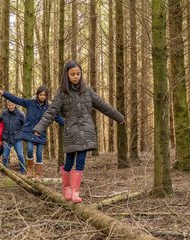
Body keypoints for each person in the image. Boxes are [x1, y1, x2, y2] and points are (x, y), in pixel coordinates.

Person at [33, 60, 124, 203]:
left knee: (81, 160)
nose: (76, 76)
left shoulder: (88, 91)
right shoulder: (62, 94)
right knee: (69, 161)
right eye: (72, 74)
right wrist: (39, 127)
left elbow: (103, 106)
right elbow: (50, 113)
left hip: (86, 132)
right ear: (67, 75)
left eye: (78, 74)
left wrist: (118, 117)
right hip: (71, 133)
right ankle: (66, 187)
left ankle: (75, 192)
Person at [0, 86, 64, 180]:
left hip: (41, 133)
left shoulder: (49, 107)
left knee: (39, 153)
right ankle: (30, 168)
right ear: (37, 95)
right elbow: (17, 100)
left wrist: (67, 124)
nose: (42, 97)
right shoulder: (30, 103)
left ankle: (38, 174)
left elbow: (57, 117)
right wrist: (5, 94)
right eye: (40, 94)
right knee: (29, 150)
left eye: (44, 95)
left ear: (47, 96)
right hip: (29, 131)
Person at [0, 100, 26, 174]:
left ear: (15, 105)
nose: (11, 107)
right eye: (9, 105)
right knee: (5, 156)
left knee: (20, 155)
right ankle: (5, 173)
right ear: (7, 105)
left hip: (17, 138)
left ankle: (23, 172)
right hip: (6, 138)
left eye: (12, 105)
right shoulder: (4, 113)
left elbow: (25, 124)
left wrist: (22, 134)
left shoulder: (20, 114)